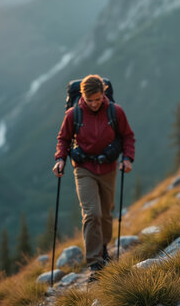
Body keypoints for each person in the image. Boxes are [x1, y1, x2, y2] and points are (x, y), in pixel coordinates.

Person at [53, 74, 135, 276]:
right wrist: (60, 159)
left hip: (108, 167)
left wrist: (127, 158)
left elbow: (127, 136)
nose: (94, 104)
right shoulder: (74, 114)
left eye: (97, 99)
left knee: (106, 214)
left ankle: (104, 248)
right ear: (83, 96)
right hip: (83, 168)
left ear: (103, 94)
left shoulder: (115, 112)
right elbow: (63, 139)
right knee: (91, 214)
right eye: (90, 100)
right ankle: (95, 264)